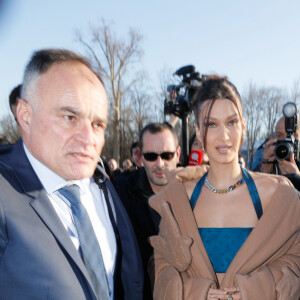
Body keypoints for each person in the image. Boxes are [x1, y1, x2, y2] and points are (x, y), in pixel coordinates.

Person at [0, 49, 143, 300]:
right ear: (25, 116)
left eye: (97, 124)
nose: (89, 139)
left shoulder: (101, 184)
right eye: (69, 117)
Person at [149, 75, 300, 300]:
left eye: (231, 122)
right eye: (212, 124)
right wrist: (196, 293)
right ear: (199, 133)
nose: (224, 135)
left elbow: (296, 263)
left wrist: (254, 290)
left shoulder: (278, 196)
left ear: (244, 126)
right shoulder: (178, 201)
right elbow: (161, 275)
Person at [113, 122, 181, 300]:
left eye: (167, 155)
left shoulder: (194, 193)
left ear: (178, 154)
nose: (160, 164)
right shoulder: (120, 192)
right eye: (151, 156)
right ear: (140, 157)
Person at [260, 115, 300, 190]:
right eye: (279, 135)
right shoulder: (270, 161)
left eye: (292, 135)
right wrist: (264, 169)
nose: (286, 141)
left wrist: (297, 180)